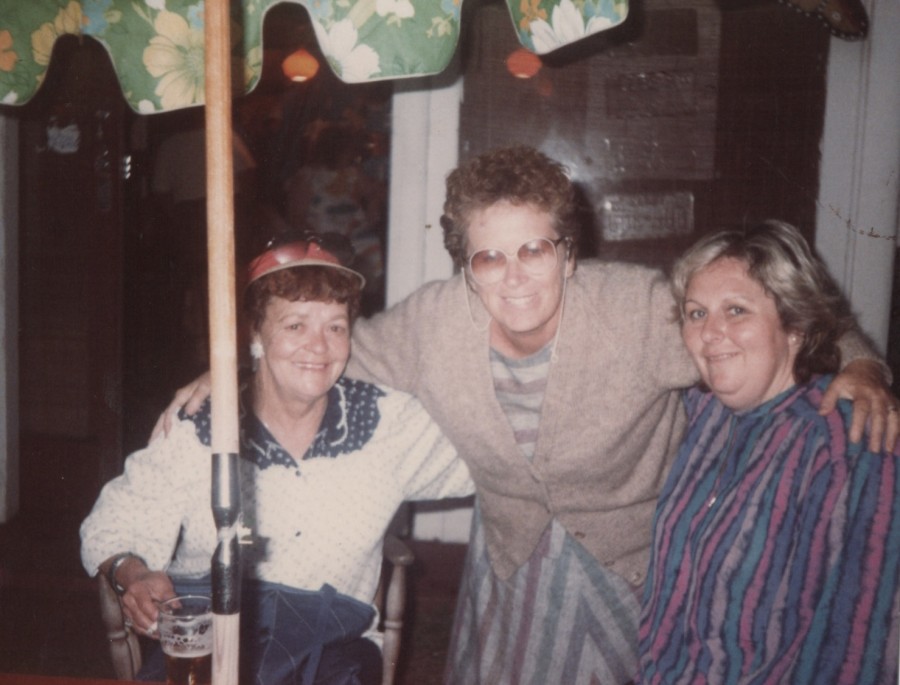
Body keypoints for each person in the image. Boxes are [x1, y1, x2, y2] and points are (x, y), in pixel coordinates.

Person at [157, 147, 899, 684]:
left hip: (624, 561)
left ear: (567, 254)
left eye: (533, 249)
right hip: (509, 557)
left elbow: (772, 322)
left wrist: (863, 361)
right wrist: (232, 369)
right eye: (488, 257)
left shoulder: (638, 311)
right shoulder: (433, 324)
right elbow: (319, 350)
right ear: (464, 266)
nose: (513, 276)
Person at [81, 232, 473, 685]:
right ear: (255, 335)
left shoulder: (386, 422)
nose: (319, 346)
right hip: (211, 638)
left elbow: (488, 457)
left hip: (331, 652)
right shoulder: (203, 424)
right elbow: (113, 523)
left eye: (336, 326)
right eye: (295, 325)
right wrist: (134, 573)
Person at [638, 220, 900, 684]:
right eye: (696, 314)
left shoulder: (846, 443)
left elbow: (854, 640)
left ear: (795, 326)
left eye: (736, 310)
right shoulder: (702, 415)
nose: (711, 332)